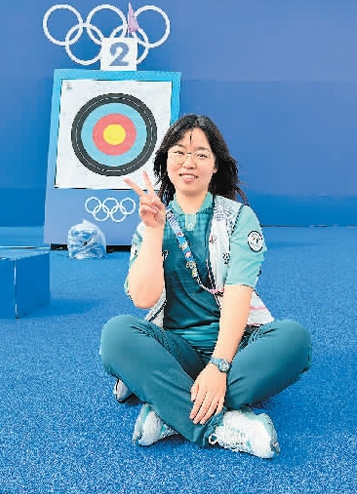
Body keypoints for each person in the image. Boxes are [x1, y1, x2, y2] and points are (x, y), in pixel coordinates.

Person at [100, 114, 311, 459]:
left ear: (215, 165)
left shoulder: (239, 218)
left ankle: (169, 408)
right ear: (166, 161)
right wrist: (154, 231)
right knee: (117, 335)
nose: (189, 162)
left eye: (201, 154)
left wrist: (219, 365)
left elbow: (239, 295)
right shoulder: (151, 223)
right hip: (176, 350)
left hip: (237, 352)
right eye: (179, 153)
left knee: (294, 340)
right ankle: (221, 425)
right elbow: (143, 298)